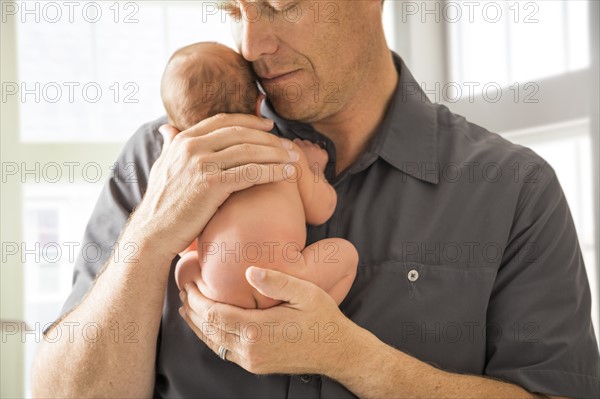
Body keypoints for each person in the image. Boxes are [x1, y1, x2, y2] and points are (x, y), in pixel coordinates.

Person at [33, 1, 600, 398]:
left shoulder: (515, 190)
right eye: (234, 10)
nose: (251, 44)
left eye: (281, 3)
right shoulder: (164, 159)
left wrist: (354, 360)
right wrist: (151, 236)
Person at [161, 41, 358, 308]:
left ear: (178, 132)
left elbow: (184, 244)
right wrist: (313, 167)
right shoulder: (285, 152)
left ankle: (201, 304)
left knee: (186, 263)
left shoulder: (196, 179)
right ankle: (312, 312)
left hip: (220, 288)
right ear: (258, 106)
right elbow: (323, 209)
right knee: (345, 256)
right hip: (285, 280)